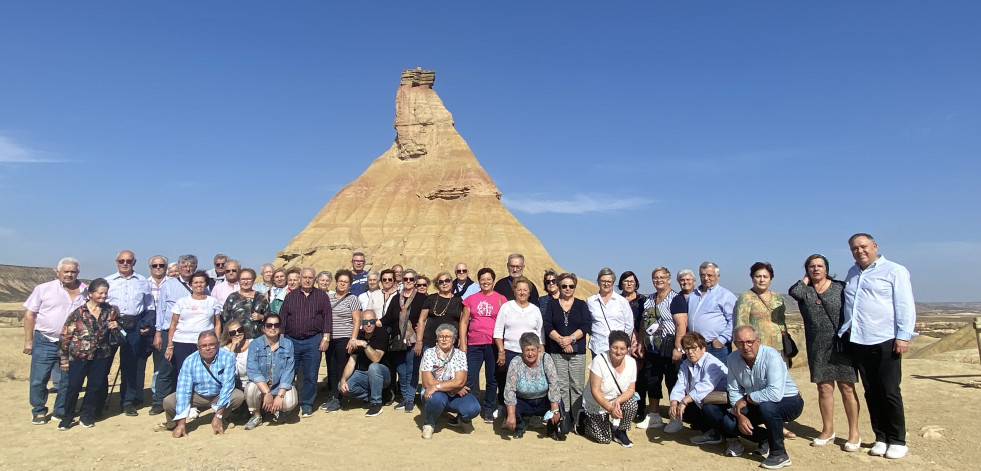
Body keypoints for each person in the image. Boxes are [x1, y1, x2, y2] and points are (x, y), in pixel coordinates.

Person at [840, 233, 916, 459]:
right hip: (859, 339)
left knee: (889, 390)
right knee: (871, 391)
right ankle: (881, 437)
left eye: (863, 246)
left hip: (885, 339)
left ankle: (898, 439)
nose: (859, 251)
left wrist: (903, 336)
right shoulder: (852, 273)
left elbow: (905, 304)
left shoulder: (895, 271)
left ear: (874, 246)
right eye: (854, 248)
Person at [789, 254, 860, 450]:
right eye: (812, 266)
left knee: (847, 388)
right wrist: (805, 280)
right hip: (817, 346)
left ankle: (854, 432)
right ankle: (828, 430)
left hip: (841, 345)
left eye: (820, 266)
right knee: (824, 388)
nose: (816, 269)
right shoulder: (805, 291)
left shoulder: (840, 287)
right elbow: (794, 292)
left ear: (827, 268)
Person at [722, 326, 804, 469]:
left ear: (758, 341)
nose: (745, 347)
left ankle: (779, 454)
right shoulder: (732, 359)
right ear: (735, 343)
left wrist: (746, 399)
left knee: (768, 408)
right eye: (740, 343)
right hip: (756, 402)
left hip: (788, 401)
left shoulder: (771, 356)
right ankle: (765, 437)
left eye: (749, 342)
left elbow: (774, 393)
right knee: (729, 423)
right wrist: (740, 415)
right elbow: (734, 390)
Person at [24, 257, 87, 424]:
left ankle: (61, 410)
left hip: (72, 343)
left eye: (73, 271)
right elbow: (30, 314)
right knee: (39, 378)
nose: (69, 274)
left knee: (67, 379)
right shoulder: (43, 289)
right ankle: (38, 410)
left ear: (78, 273)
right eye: (66, 271)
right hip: (45, 339)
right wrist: (28, 341)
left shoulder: (85, 291)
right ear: (57, 272)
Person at [57, 278, 121, 430]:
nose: (103, 296)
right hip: (79, 356)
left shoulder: (110, 311)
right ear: (91, 293)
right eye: (100, 293)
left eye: (105, 293)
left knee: (95, 386)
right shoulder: (78, 313)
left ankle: (87, 415)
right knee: (73, 386)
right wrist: (64, 359)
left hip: (101, 355)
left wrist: (116, 326)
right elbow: (65, 336)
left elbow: (117, 332)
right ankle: (67, 417)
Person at [159, 331, 245, 438]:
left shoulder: (228, 357)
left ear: (218, 344)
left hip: (217, 394)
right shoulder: (189, 361)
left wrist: (217, 415)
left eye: (211, 345)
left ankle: (223, 417)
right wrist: (182, 423)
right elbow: (183, 389)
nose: (207, 349)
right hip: (196, 395)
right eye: (203, 346)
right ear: (198, 347)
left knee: (238, 396)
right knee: (169, 401)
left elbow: (227, 387)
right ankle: (174, 424)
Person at [152, 254, 206, 415]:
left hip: (193, 334)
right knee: (166, 367)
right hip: (170, 332)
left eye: (191, 266)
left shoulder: (201, 284)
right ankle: (159, 401)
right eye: (184, 266)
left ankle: (192, 400)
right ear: (180, 267)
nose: (188, 269)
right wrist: (158, 332)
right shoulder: (169, 285)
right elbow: (161, 310)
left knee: (192, 368)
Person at [105, 250, 155, 416]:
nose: (125, 263)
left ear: (134, 262)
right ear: (116, 262)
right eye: (121, 261)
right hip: (112, 325)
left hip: (134, 326)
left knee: (130, 365)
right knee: (103, 364)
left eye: (128, 261)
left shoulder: (142, 281)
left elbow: (149, 306)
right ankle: (98, 401)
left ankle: (128, 401)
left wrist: (146, 323)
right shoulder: (107, 281)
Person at [280, 267, 332, 417]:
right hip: (291, 340)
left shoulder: (322, 296)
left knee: (310, 374)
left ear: (314, 279)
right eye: (305, 278)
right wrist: (282, 339)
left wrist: (326, 338)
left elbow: (327, 319)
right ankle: (287, 403)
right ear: (300, 279)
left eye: (310, 278)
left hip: (313, 340)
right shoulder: (290, 296)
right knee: (289, 373)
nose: (307, 280)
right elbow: (283, 318)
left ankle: (307, 403)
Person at [459, 267, 507, 422]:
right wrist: (463, 343)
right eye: (482, 279)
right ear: (478, 281)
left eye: (489, 279)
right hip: (474, 344)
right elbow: (464, 321)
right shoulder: (471, 299)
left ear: (493, 281)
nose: (485, 282)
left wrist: (502, 349)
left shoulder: (501, 299)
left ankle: (488, 409)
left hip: (493, 344)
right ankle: (470, 407)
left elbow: (505, 323)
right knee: (470, 377)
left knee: (492, 379)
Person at [542, 272, 591, 425]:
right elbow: (548, 325)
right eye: (564, 286)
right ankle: (565, 418)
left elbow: (586, 325)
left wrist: (571, 339)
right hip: (557, 351)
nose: (568, 289)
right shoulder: (552, 304)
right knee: (561, 385)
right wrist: (561, 341)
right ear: (559, 287)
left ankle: (577, 418)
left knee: (576, 386)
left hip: (578, 351)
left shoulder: (581, 304)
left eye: (571, 286)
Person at [667, 332, 729, 447]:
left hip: (723, 402)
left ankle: (724, 434)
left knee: (708, 409)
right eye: (687, 348)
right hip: (705, 400)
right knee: (684, 410)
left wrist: (684, 401)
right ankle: (709, 431)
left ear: (703, 348)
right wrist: (673, 402)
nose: (690, 352)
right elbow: (680, 384)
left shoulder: (712, 363)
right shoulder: (686, 364)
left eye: (694, 348)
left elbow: (705, 387)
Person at [419, 323, 480, 439]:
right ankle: (429, 424)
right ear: (437, 338)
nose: (444, 339)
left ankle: (463, 420)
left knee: (473, 408)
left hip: (452, 393)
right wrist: (454, 386)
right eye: (441, 336)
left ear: (453, 340)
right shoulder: (429, 353)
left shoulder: (460, 355)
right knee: (435, 399)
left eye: (448, 337)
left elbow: (460, 382)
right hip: (437, 394)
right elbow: (427, 383)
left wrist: (437, 386)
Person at [493, 276, 545, 409]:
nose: (522, 292)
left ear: (529, 292)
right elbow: (498, 332)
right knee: (510, 384)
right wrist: (501, 352)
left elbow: (540, 335)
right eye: (519, 289)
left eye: (525, 290)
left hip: (531, 354)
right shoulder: (506, 307)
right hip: (511, 351)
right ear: (514, 291)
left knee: (530, 384)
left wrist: (541, 355)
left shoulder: (535, 310)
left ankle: (531, 413)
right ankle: (508, 414)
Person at [636, 267, 678, 429]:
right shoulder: (649, 299)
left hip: (669, 346)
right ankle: (654, 415)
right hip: (652, 348)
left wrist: (678, 347)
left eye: (662, 277)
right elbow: (642, 323)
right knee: (652, 381)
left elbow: (681, 324)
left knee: (672, 381)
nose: (659, 280)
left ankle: (675, 419)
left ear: (669, 279)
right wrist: (640, 342)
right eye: (655, 277)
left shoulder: (676, 299)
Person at [503, 332, 566, 440]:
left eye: (533, 350)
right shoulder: (515, 362)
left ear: (538, 349)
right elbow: (510, 390)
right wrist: (511, 414)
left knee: (559, 405)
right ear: (522, 350)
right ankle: (520, 427)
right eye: (527, 350)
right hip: (523, 401)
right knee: (508, 409)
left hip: (543, 400)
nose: (530, 353)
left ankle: (552, 429)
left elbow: (553, 383)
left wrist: (555, 409)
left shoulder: (546, 359)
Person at [582, 330, 638, 447]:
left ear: (627, 349)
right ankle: (583, 421)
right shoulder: (599, 361)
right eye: (615, 347)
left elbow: (631, 389)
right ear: (609, 346)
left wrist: (617, 401)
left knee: (632, 405)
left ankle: (621, 431)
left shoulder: (632, 362)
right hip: (597, 402)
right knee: (604, 439)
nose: (618, 352)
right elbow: (595, 391)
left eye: (622, 349)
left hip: (616, 399)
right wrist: (609, 408)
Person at [244, 313, 297, 430]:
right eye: (269, 325)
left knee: (290, 401)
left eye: (276, 325)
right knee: (250, 389)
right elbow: (252, 370)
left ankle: (278, 410)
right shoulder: (254, 344)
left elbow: (289, 370)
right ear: (263, 328)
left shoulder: (288, 344)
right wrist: (267, 392)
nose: (273, 328)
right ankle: (256, 415)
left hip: (279, 385)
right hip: (262, 386)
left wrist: (280, 395)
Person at [381, 268, 424, 411]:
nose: (408, 282)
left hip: (413, 341)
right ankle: (405, 398)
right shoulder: (396, 298)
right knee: (401, 369)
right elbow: (388, 318)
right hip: (397, 340)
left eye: (411, 279)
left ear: (415, 281)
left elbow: (426, 319)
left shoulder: (422, 298)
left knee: (412, 369)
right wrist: (375, 322)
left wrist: (420, 333)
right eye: (406, 279)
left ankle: (410, 399)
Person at [166, 271, 222, 379]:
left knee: (204, 372)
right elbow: (173, 324)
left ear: (206, 284)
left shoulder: (213, 302)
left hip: (205, 343)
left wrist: (216, 341)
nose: (199, 285)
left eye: (201, 282)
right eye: (195, 282)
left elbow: (217, 323)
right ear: (190, 284)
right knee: (184, 372)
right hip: (182, 342)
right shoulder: (182, 301)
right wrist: (170, 345)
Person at [321, 269, 363, 412]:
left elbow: (357, 320)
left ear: (350, 284)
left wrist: (353, 338)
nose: (342, 284)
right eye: (340, 281)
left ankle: (339, 398)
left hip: (344, 338)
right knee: (331, 368)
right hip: (330, 338)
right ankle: (333, 395)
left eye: (345, 282)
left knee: (341, 368)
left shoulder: (353, 299)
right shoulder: (329, 298)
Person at [339, 310, 389, 417]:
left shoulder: (382, 333)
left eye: (371, 321)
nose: (369, 324)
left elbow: (376, 359)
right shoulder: (359, 335)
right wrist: (343, 379)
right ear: (361, 323)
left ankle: (376, 403)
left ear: (375, 321)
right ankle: (372, 396)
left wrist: (365, 344)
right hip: (364, 375)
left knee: (373, 367)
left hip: (382, 374)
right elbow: (351, 362)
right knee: (342, 386)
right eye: (365, 322)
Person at [664, 268, 697, 432]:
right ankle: (678, 415)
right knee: (681, 380)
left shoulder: (699, 296)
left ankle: (695, 415)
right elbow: (680, 325)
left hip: (698, 345)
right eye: (682, 281)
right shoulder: (677, 299)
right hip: (683, 346)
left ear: (694, 281)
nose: (685, 283)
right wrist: (679, 347)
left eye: (688, 280)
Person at [734, 262, 787, 361]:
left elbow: (782, 322)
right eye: (758, 276)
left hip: (779, 346)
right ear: (752, 278)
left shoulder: (777, 297)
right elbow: (741, 325)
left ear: (770, 279)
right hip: (758, 348)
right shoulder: (746, 298)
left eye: (765, 277)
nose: (762, 280)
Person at [686, 262, 736, 362]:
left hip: (716, 348)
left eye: (709, 275)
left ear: (718, 276)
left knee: (719, 377)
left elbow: (733, 320)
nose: (706, 278)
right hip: (695, 346)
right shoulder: (692, 296)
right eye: (702, 275)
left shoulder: (726, 296)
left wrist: (721, 340)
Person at [415, 272, 464, 360]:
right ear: (437, 284)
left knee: (449, 372)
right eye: (441, 282)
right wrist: (419, 341)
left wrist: (462, 341)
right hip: (430, 342)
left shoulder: (458, 301)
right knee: (430, 371)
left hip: (450, 344)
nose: (444, 283)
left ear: (452, 282)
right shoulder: (431, 299)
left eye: (447, 280)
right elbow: (421, 320)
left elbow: (462, 323)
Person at [587, 268, 634, 356]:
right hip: (597, 347)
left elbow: (629, 325)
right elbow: (588, 322)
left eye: (609, 281)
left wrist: (620, 340)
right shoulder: (590, 301)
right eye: (603, 281)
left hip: (618, 349)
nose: (606, 284)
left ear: (613, 282)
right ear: (598, 282)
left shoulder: (622, 301)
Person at [221, 267, 269, 339]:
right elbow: (225, 319)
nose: (245, 282)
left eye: (249, 279)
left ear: (253, 280)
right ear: (239, 280)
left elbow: (269, 316)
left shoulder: (260, 297)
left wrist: (262, 317)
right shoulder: (232, 297)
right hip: (236, 338)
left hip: (257, 338)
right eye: (243, 279)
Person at [146, 255, 169, 402]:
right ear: (150, 267)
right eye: (155, 265)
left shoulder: (172, 283)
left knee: (161, 362)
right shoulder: (144, 283)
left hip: (165, 326)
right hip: (147, 325)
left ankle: (158, 394)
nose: (158, 268)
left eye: (161, 265)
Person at [220, 319, 251, 401]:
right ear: (228, 335)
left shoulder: (253, 344)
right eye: (233, 333)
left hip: (252, 382)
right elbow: (227, 373)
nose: (237, 334)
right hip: (235, 384)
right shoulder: (224, 350)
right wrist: (232, 349)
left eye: (240, 330)